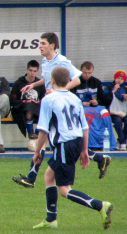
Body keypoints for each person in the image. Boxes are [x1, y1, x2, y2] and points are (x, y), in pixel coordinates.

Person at [12, 33, 110, 187]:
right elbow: (47, 79)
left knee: (46, 137)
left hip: (58, 104)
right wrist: (33, 85)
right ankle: (99, 158)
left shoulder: (62, 61)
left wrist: (59, 91)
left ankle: (31, 177)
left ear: (52, 45)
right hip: (50, 103)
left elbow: (77, 79)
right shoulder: (45, 61)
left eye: (43, 43)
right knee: (50, 140)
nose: (40, 46)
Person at [31, 66, 112, 230]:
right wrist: (84, 150)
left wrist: (37, 151)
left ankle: (100, 205)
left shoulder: (49, 99)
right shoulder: (75, 99)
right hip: (76, 141)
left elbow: (43, 130)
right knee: (49, 176)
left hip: (64, 144)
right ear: (68, 81)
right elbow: (85, 127)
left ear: (52, 80)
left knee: (64, 189)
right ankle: (51, 218)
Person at [10, 60, 46, 140]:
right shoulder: (19, 83)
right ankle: (31, 132)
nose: (32, 73)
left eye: (34, 71)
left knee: (45, 109)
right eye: (30, 70)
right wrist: (25, 101)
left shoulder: (39, 84)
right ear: (27, 70)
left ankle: (37, 132)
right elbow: (12, 101)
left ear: (37, 71)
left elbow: (44, 100)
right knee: (28, 106)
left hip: (36, 109)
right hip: (21, 109)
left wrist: (34, 102)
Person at [104, 69, 127, 151]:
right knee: (118, 121)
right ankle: (122, 141)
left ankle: (120, 141)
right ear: (114, 78)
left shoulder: (125, 89)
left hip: (123, 112)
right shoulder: (108, 87)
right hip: (112, 111)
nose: (119, 80)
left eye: (121, 79)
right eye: (118, 78)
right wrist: (113, 91)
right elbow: (105, 100)